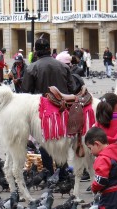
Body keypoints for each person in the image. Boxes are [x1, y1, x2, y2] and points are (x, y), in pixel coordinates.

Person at [21, 37, 77, 178]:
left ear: (36, 51)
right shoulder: (63, 66)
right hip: (62, 110)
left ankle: (49, 174)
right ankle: (63, 174)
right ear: (49, 49)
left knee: (45, 144)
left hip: (42, 113)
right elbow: (73, 89)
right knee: (60, 143)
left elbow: (25, 92)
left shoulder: (32, 68)